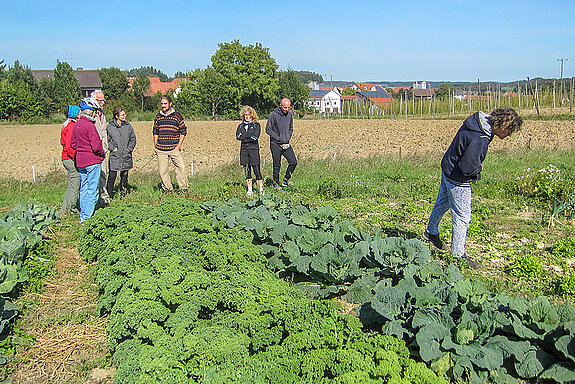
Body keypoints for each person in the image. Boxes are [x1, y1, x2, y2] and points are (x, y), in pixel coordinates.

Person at [423, 108, 523, 269]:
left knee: (443, 202)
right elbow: (467, 167)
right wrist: (478, 169)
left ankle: (431, 232)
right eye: (509, 132)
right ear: (503, 127)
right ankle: (458, 256)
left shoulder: (476, 123)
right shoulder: (480, 137)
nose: (508, 136)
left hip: (448, 167)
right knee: (462, 217)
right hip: (458, 177)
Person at [70, 98, 105, 222]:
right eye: (95, 111)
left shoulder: (77, 124)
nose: (96, 114)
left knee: (83, 189)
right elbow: (96, 146)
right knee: (92, 190)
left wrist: (82, 149)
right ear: (91, 112)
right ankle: (87, 218)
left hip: (81, 162)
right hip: (92, 161)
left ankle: (83, 216)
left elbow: (73, 144)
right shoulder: (90, 126)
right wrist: (102, 154)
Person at [153, 95, 189, 192]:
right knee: (163, 171)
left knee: (180, 167)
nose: (163, 106)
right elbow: (155, 131)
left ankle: (184, 188)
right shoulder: (158, 117)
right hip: (161, 149)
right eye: (162, 104)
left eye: (165, 103)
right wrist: (156, 145)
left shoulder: (177, 116)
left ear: (170, 104)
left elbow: (183, 131)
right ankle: (167, 189)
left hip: (174, 148)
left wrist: (179, 145)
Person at [265, 98, 297, 187]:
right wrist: (277, 138)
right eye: (285, 107)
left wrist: (288, 137)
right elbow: (268, 129)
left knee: (293, 162)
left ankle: (286, 180)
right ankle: (276, 184)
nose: (287, 109)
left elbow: (291, 128)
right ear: (280, 106)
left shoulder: (289, 115)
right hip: (275, 144)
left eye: (288, 107)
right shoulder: (273, 115)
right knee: (277, 165)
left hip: (286, 143)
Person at [106, 108, 137, 198]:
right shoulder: (110, 127)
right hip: (115, 156)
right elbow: (106, 140)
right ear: (116, 116)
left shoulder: (128, 126)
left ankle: (123, 193)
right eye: (122, 115)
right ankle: (110, 194)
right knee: (112, 176)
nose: (125, 116)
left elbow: (133, 139)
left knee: (124, 176)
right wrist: (113, 149)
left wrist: (129, 149)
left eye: (125, 114)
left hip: (126, 155)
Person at [59, 105, 81, 217]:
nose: (80, 113)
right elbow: (69, 146)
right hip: (70, 158)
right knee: (75, 185)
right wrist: (76, 157)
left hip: (66, 158)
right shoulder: (72, 126)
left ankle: (64, 210)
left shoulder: (66, 124)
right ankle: (71, 209)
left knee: (71, 185)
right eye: (79, 112)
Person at [236, 105, 264, 197]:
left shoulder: (257, 125)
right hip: (244, 150)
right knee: (247, 170)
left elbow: (255, 137)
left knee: (256, 169)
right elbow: (238, 137)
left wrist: (244, 136)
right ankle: (249, 190)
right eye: (245, 115)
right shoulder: (240, 126)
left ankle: (260, 189)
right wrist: (248, 136)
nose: (247, 116)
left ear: (252, 115)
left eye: (249, 115)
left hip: (253, 150)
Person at [91, 90, 110, 205]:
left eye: (103, 100)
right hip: (93, 151)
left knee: (103, 174)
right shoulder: (90, 114)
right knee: (94, 176)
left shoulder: (101, 113)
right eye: (100, 100)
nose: (102, 103)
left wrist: (105, 147)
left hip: (102, 149)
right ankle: (95, 200)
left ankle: (104, 198)